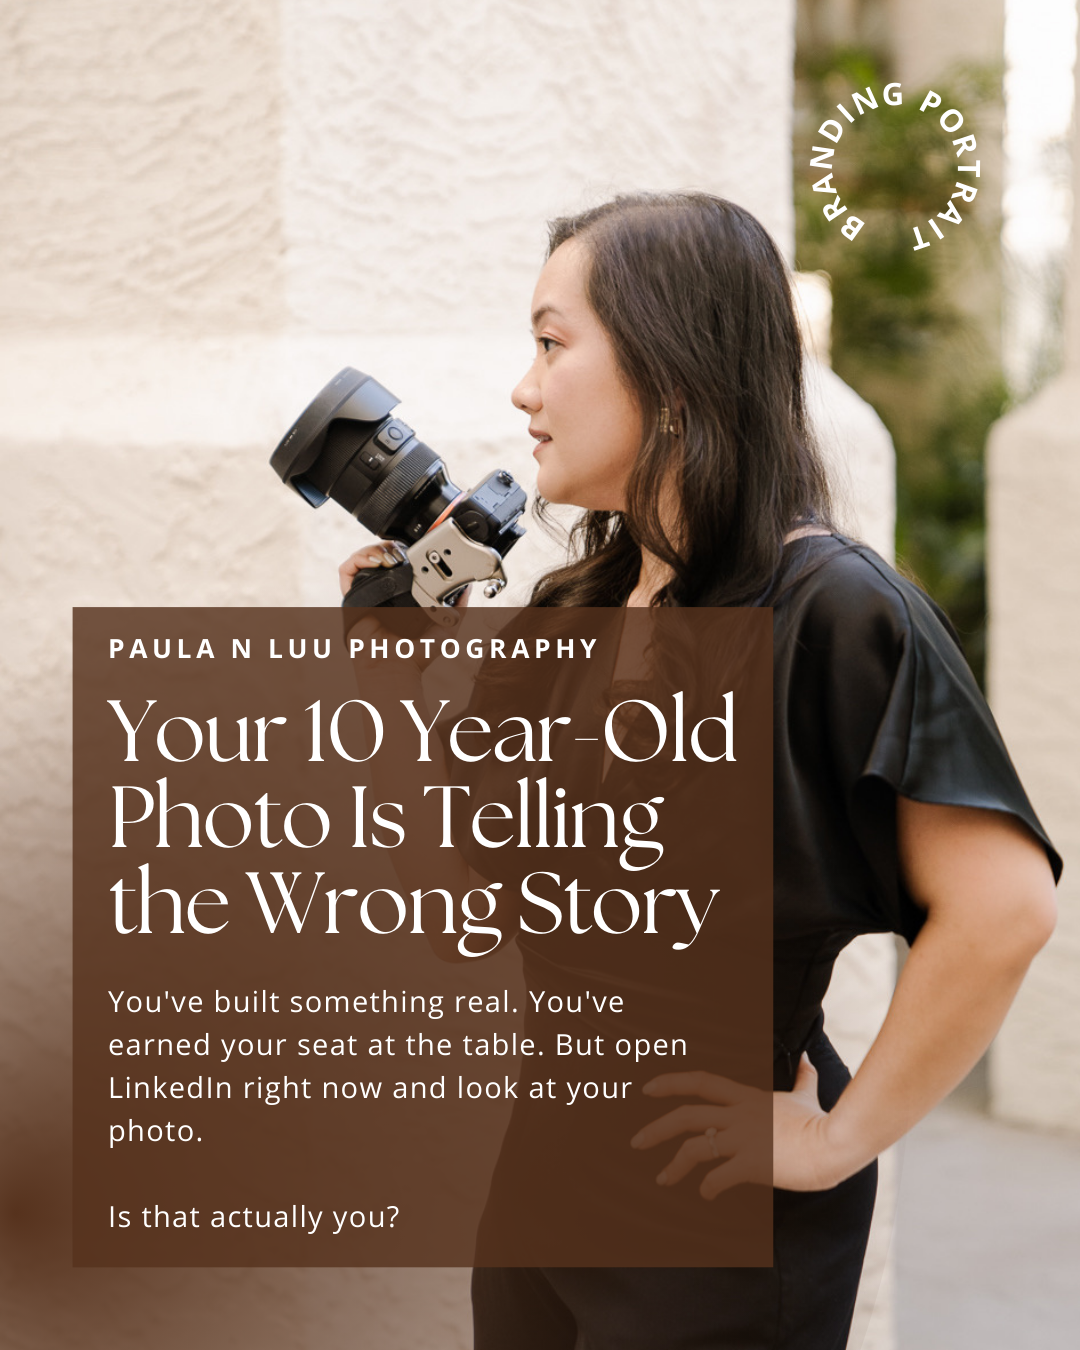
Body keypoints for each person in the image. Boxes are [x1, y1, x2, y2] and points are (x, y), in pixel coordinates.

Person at [340, 192, 1061, 1349]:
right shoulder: (573, 613)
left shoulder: (835, 610)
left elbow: (1005, 909)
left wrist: (835, 1139)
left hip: (712, 1204)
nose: (524, 390)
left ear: (672, 373)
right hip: (542, 1179)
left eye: (552, 343)